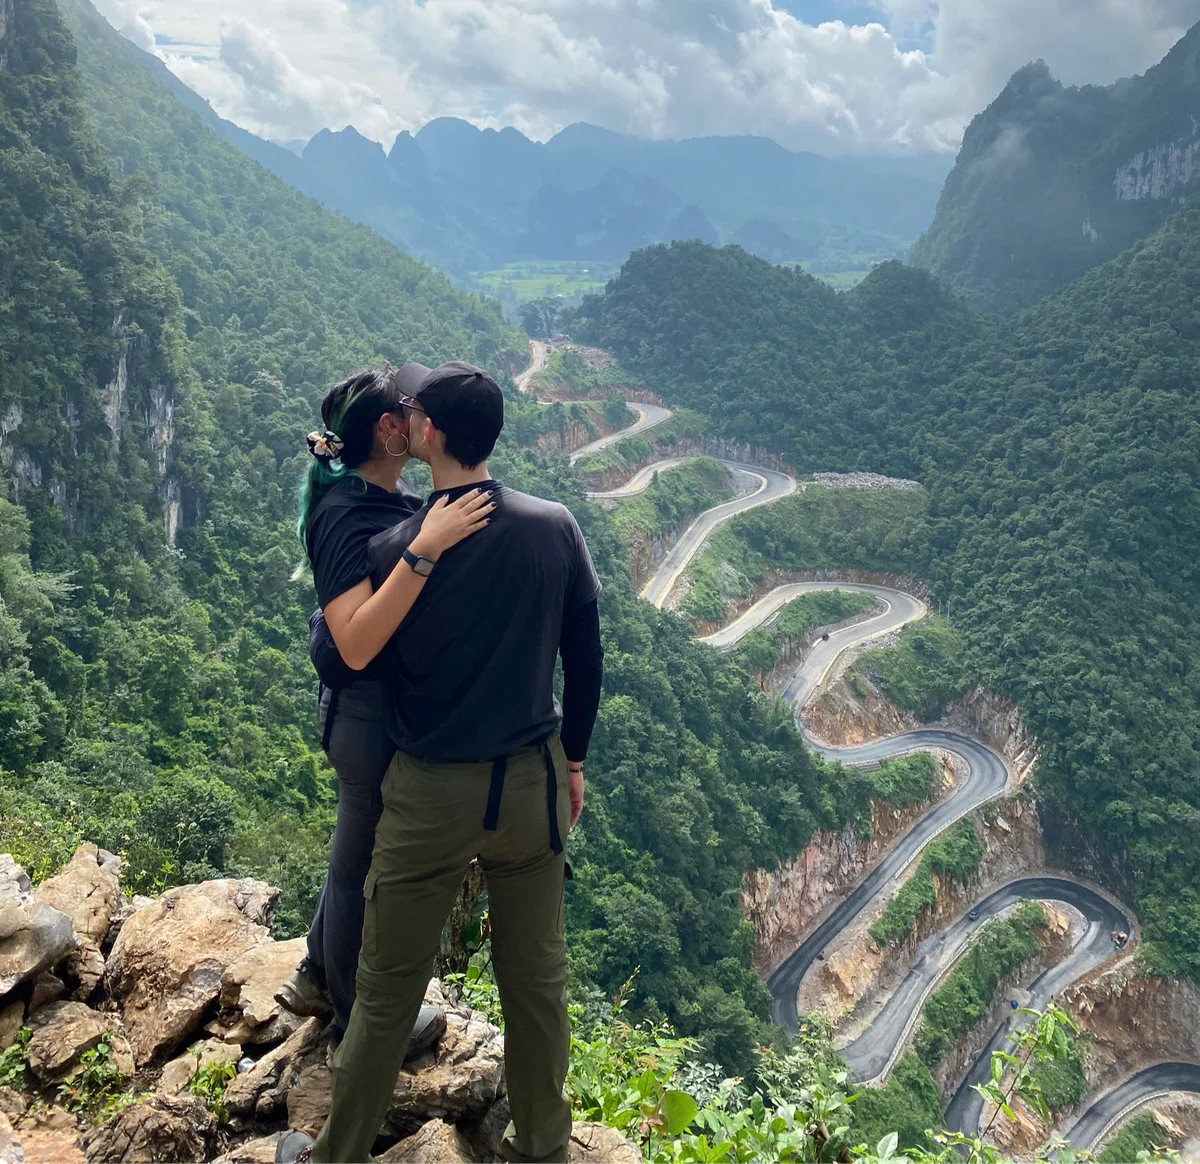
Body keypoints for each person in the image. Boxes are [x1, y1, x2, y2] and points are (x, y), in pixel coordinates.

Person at [276, 363, 605, 1164]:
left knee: (387, 985)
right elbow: (586, 653)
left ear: (429, 435)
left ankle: (336, 1154)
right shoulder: (554, 525)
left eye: (415, 409)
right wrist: (573, 761)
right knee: (535, 983)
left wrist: (419, 554)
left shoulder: (394, 545)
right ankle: (543, 1148)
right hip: (529, 781)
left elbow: (351, 647)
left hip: (428, 788)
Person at [275, 364, 495, 1062]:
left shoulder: (388, 498)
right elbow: (358, 640)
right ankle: (351, 1019)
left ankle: (316, 973)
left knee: (354, 857)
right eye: (408, 407)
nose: (419, 412)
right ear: (388, 429)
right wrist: (425, 550)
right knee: (358, 867)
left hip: (387, 712)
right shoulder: (344, 515)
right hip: (364, 718)